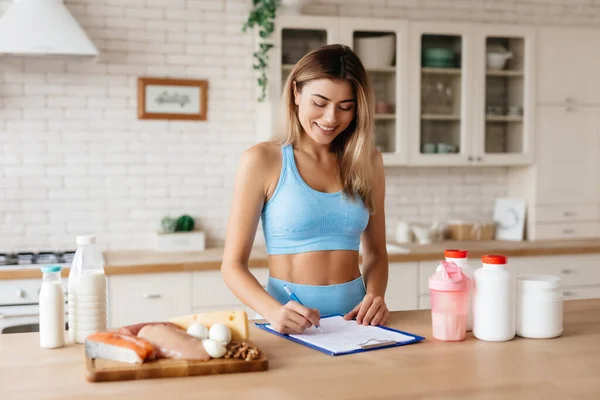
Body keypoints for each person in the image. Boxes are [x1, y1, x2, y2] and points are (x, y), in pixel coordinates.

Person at [221, 44, 389, 334]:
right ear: (296, 94)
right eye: (320, 103)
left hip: (357, 324)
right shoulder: (262, 160)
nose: (331, 118)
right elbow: (232, 266)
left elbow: (376, 252)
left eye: (345, 107)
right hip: (288, 324)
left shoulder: (368, 161)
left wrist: (375, 296)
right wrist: (273, 311)